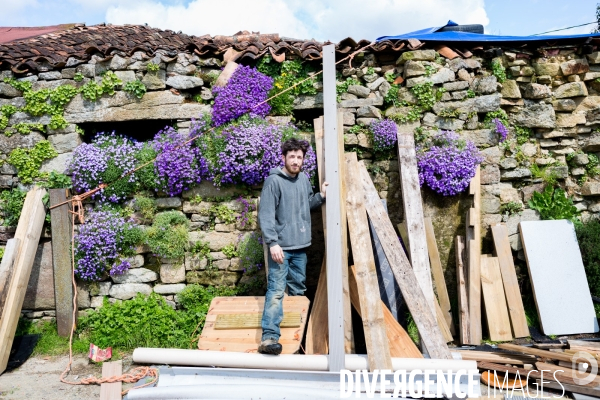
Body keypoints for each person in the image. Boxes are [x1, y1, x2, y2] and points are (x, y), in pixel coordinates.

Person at [257, 137, 328, 355]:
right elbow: (266, 214)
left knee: (298, 291)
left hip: (301, 247)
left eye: (299, 157)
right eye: (292, 157)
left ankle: (297, 341)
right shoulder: (274, 181)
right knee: (277, 291)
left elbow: (306, 206)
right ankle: (269, 338)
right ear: (283, 158)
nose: (296, 161)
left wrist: (322, 196)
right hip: (281, 248)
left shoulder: (304, 179)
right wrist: (273, 243)